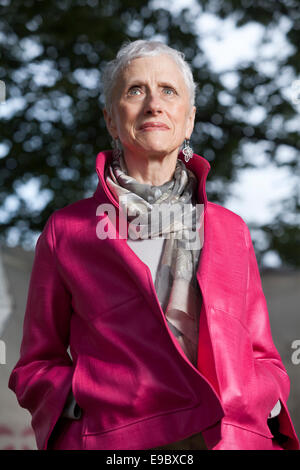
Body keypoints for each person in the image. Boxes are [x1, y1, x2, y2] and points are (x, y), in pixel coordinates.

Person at [8, 39, 299, 451]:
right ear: (111, 120)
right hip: (119, 444)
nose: (153, 104)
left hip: (228, 437)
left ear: (189, 120)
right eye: (134, 91)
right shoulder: (67, 230)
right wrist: (85, 404)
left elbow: (263, 355)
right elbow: (36, 364)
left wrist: (258, 400)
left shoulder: (231, 229)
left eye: (168, 91)